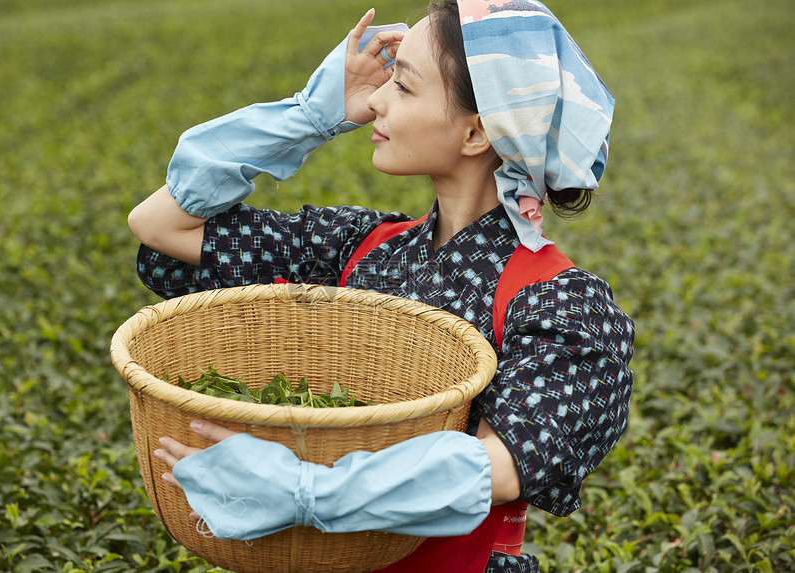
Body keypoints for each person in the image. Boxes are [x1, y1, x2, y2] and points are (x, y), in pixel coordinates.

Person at [128, 1, 634, 571]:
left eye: (404, 86)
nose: (375, 101)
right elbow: (161, 226)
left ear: (474, 132)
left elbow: (504, 464)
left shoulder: (561, 304)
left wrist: (311, 491)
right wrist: (310, 114)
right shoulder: (357, 246)